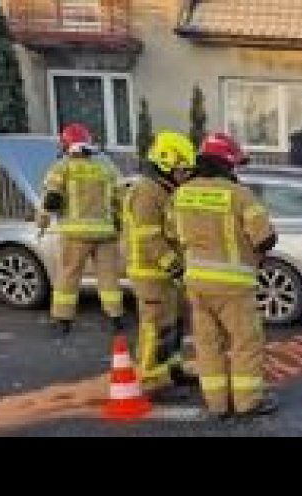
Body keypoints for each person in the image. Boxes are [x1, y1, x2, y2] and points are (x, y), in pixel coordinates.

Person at [164, 132, 279, 420]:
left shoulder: (181, 194)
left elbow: (170, 233)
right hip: (234, 285)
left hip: (197, 284)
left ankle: (216, 404)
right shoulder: (239, 195)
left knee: (207, 345)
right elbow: (265, 240)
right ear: (226, 164)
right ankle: (247, 402)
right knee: (244, 343)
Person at [124, 131, 199, 396]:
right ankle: (151, 381)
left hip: (166, 272)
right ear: (165, 164)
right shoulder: (146, 192)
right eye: (181, 169)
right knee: (155, 326)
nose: (185, 175)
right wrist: (173, 265)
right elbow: (150, 237)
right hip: (150, 273)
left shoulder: (167, 190)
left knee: (175, 323)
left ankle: (173, 370)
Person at [40, 123, 125, 338]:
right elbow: (120, 201)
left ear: (66, 144)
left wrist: (41, 223)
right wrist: (119, 226)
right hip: (105, 234)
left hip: (75, 235)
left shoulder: (62, 167)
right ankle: (116, 319)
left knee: (68, 276)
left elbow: (50, 201)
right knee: (108, 277)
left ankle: (63, 320)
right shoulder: (106, 168)